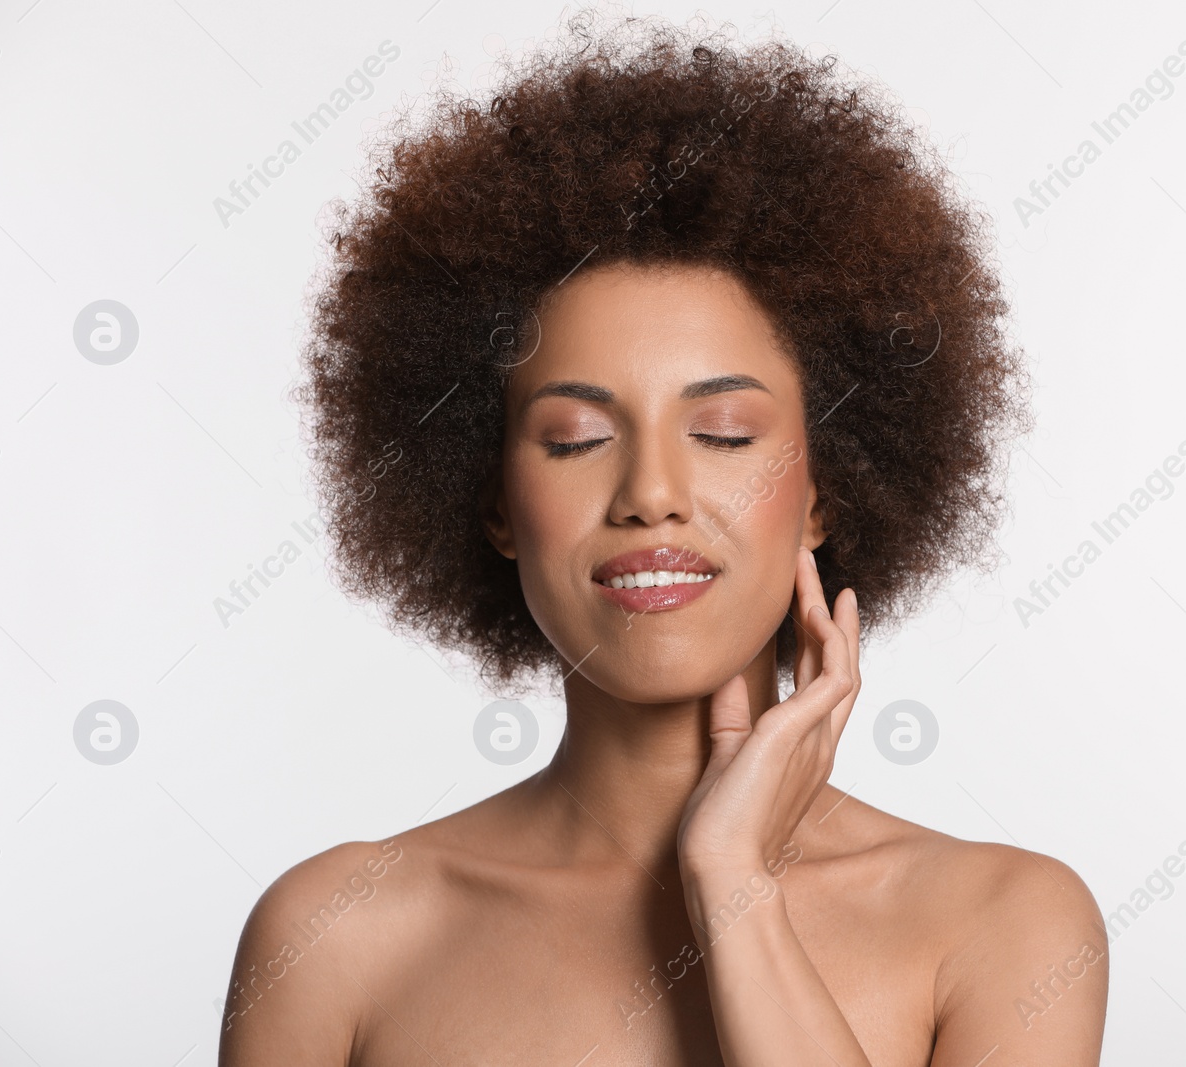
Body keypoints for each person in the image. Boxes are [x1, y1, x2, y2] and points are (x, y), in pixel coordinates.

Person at [220, 10, 1108, 1064]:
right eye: (575, 436)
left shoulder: (1002, 921)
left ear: (824, 491)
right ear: (493, 500)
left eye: (724, 432)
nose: (651, 492)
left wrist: (732, 879)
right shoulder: (334, 937)